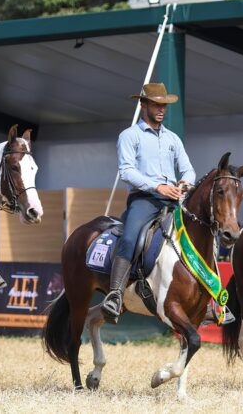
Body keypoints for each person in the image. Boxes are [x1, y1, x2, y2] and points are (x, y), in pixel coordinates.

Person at [101, 82, 195, 323]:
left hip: (173, 199)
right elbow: (127, 172)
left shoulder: (173, 139)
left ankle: (212, 299)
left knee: (200, 234)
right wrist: (157, 186)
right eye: (156, 104)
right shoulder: (129, 136)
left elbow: (188, 170)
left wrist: (184, 184)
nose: (161, 109)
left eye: (164, 105)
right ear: (143, 105)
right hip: (144, 199)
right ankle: (115, 294)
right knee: (130, 237)